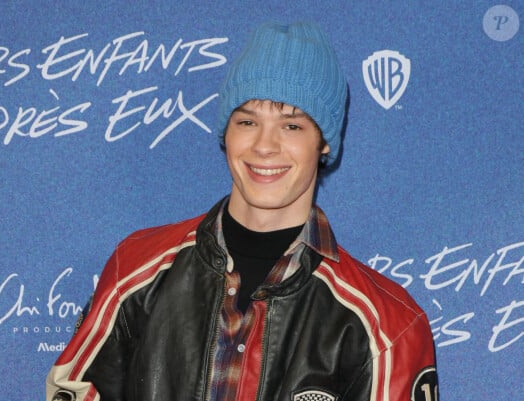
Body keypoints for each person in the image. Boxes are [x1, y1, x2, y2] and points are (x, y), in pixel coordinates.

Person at [46, 21, 438, 401]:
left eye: (292, 126)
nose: (264, 146)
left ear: (323, 143)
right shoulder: (134, 269)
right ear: (226, 133)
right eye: (247, 121)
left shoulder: (387, 326)